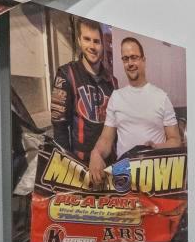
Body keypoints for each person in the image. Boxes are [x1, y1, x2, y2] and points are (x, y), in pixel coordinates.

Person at [89, 36, 184, 186]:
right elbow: (106, 139)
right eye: (125, 59)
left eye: (134, 57)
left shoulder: (161, 97)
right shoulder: (116, 97)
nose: (130, 63)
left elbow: (175, 140)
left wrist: (157, 147)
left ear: (143, 60)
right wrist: (95, 153)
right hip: (123, 177)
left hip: (155, 177)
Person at [47, 19, 113, 160]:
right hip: (81, 162)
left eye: (96, 41)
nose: (92, 46)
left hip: (108, 160)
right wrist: (67, 163)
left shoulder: (112, 81)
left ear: (102, 44)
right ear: (79, 40)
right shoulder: (66, 75)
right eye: (87, 39)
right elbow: (59, 128)